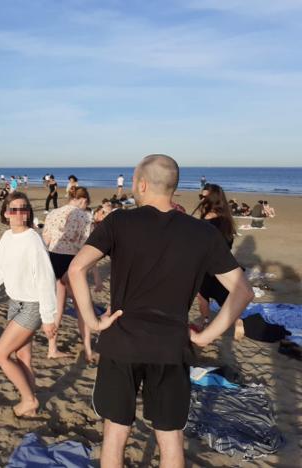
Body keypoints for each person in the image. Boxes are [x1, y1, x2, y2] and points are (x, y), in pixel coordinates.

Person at [68, 154, 253, 468]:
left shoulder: (119, 221)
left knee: (115, 434)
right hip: (171, 346)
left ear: (141, 184)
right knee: (170, 439)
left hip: (122, 342)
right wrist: (207, 335)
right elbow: (243, 291)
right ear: (173, 187)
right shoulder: (203, 233)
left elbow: (76, 269)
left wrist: (93, 322)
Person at [0, 192, 57, 417]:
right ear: (6, 213)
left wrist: (48, 318)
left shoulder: (33, 239)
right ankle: (30, 401)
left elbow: (46, 279)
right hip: (14, 303)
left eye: (23, 209)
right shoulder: (7, 237)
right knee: (23, 357)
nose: (19, 213)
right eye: (14, 209)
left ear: (28, 213)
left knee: (0, 354)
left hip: (32, 306)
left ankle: (29, 400)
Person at [42, 186, 102, 361]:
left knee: (57, 309)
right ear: (84, 200)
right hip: (72, 263)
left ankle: (52, 349)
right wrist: (97, 276)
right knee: (83, 308)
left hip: (53, 260)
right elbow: (87, 248)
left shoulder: (53, 213)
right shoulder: (84, 216)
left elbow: (45, 240)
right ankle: (88, 350)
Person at [194, 184, 237, 327]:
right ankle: (237, 321)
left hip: (207, 264)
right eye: (201, 196)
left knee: (202, 295)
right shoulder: (226, 219)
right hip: (223, 263)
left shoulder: (208, 218)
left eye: (204, 197)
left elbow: (201, 243)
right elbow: (228, 243)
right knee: (223, 296)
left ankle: (206, 322)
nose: (201, 199)